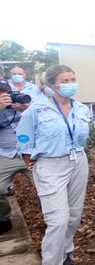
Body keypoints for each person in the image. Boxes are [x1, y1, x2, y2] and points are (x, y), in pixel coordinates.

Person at [15, 65, 91, 265]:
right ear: (50, 85)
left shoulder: (81, 108)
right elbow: (25, 143)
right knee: (58, 220)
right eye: (64, 81)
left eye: (72, 79)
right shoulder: (36, 110)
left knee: (74, 216)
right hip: (50, 165)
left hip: (78, 162)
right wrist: (32, 172)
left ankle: (66, 253)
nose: (70, 84)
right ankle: (51, 261)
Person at [0, 79, 32, 235]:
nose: (4, 96)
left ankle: (53, 218)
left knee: (47, 186)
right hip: (5, 154)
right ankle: (4, 218)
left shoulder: (18, 100)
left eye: (6, 92)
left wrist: (26, 109)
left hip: (29, 152)